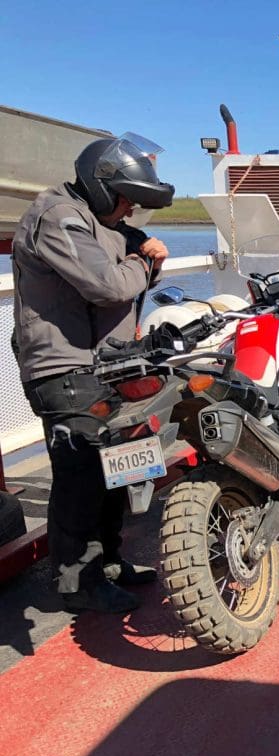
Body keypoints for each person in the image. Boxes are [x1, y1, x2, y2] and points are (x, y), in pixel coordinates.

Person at [12, 136, 174, 613]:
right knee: (80, 475)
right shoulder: (58, 217)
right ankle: (75, 582)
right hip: (64, 369)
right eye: (124, 199)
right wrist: (145, 260)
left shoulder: (95, 220)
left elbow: (122, 272)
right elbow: (108, 284)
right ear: (102, 187)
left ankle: (108, 563)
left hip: (100, 366)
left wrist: (144, 258)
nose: (127, 211)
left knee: (115, 470)